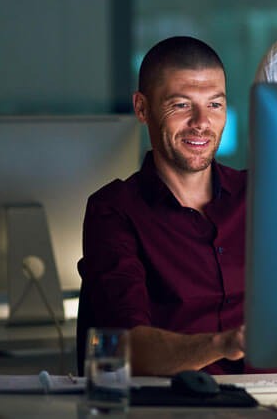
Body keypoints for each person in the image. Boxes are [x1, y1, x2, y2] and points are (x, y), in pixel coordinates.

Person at [76, 36, 249, 377]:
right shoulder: (113, 211)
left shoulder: (262, 196)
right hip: (174, 408)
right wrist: (224, 345)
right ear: (142, 108)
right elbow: (124, 348)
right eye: (182, 105)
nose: (201, 122)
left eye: (215, 104)